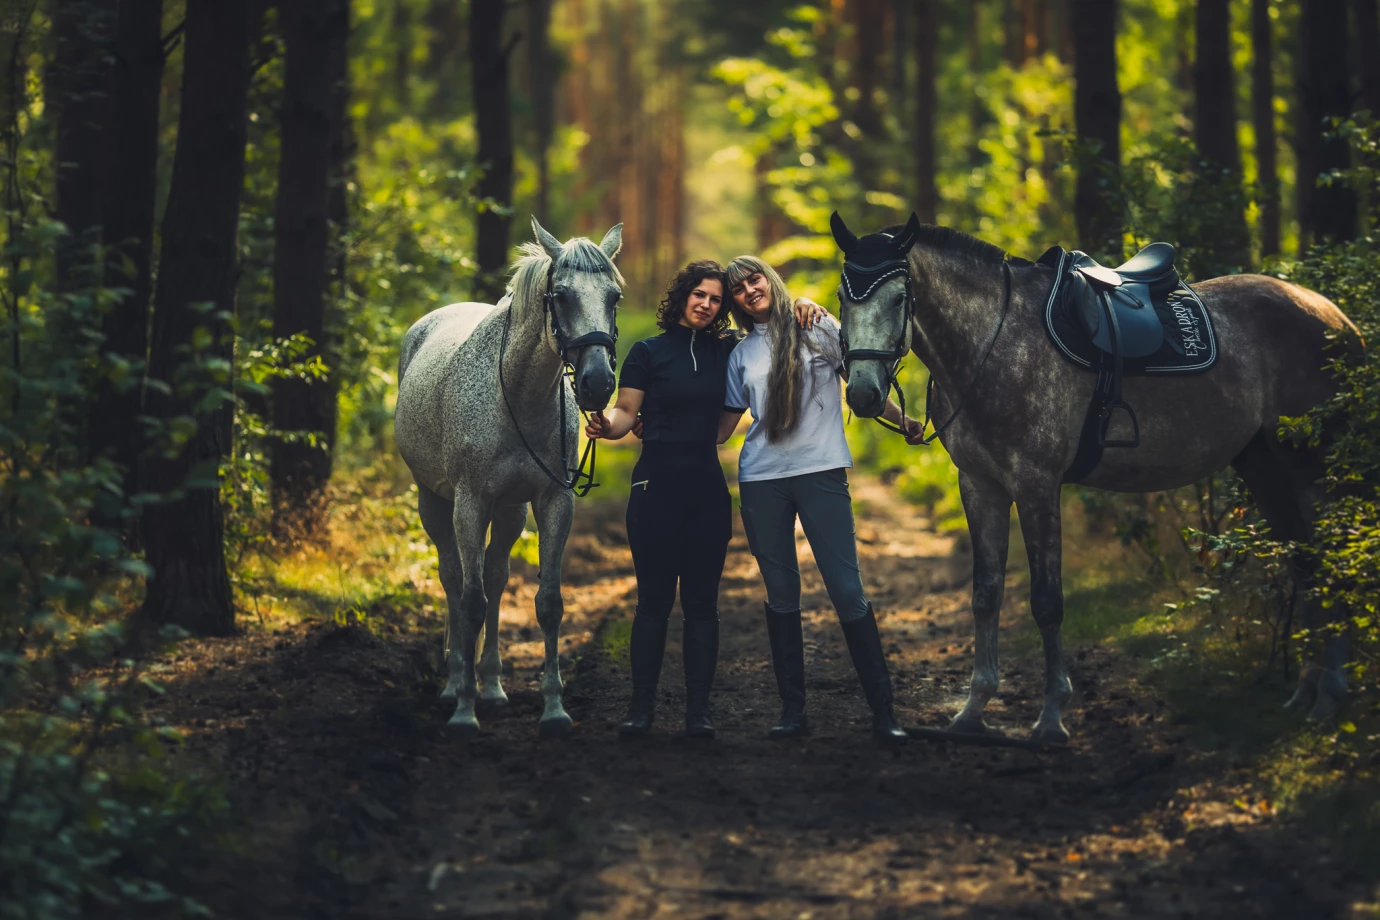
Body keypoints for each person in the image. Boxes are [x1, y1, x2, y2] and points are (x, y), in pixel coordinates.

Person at [717, 255, 922, 745]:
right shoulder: (740, 355)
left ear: (769, 279)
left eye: (753, 279)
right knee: (782, 597)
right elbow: (721, 430)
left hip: (821, 474)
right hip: (762, 480)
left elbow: (861, 383)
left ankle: (884, 711)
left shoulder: (818, 327)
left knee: (847, 591)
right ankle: (793, 711)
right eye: (738, 290)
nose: (749, 291)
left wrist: (904, 421)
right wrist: (650, 425)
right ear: (735, 304)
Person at [585, 261, 739, 739]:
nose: (706, 304)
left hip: (708, 493)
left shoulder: (727, 353)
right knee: (652, 602)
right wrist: (606, 428)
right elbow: (626, 412)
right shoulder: (647, 352)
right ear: (682, 296)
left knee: (703, 605)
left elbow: (723, 427)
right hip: (654, 489)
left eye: (715, 299)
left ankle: (699, 713)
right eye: (699, 294)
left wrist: (803, 304)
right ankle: (640, 709)